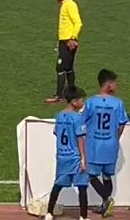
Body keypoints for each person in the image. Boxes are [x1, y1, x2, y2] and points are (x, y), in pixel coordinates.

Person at [83, 69, 127, 217]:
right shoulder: (118, 103)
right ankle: (105, 206)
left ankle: (107, 200)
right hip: (111, 144)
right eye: (114, 83)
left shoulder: (90, 102)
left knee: (91, 176)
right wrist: (115, 138)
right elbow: (121, 125)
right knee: (107, 176)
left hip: (94, 145)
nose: (116, 86)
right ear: (108, 84)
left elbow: (82, 122)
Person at [47, 86, 89, 220]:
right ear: (74, 101)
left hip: (62, 156)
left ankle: (49, 213)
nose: (83, 103)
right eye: (82, 100)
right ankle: (83, 216)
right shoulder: (77, 118)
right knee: (82, 186)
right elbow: (80, 138)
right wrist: (83, 159)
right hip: (74, 156)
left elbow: (56, 132)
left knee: (58, 185)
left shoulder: (59, 115)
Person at [48, 0, 82, 103]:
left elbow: (78, 22)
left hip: (68, 41)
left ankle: (59, 95)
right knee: (68, 68)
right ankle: (71, 93)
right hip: (65, 41)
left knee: (60, 67)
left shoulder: (70, 5)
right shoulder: (66, 4)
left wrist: (73, 38)